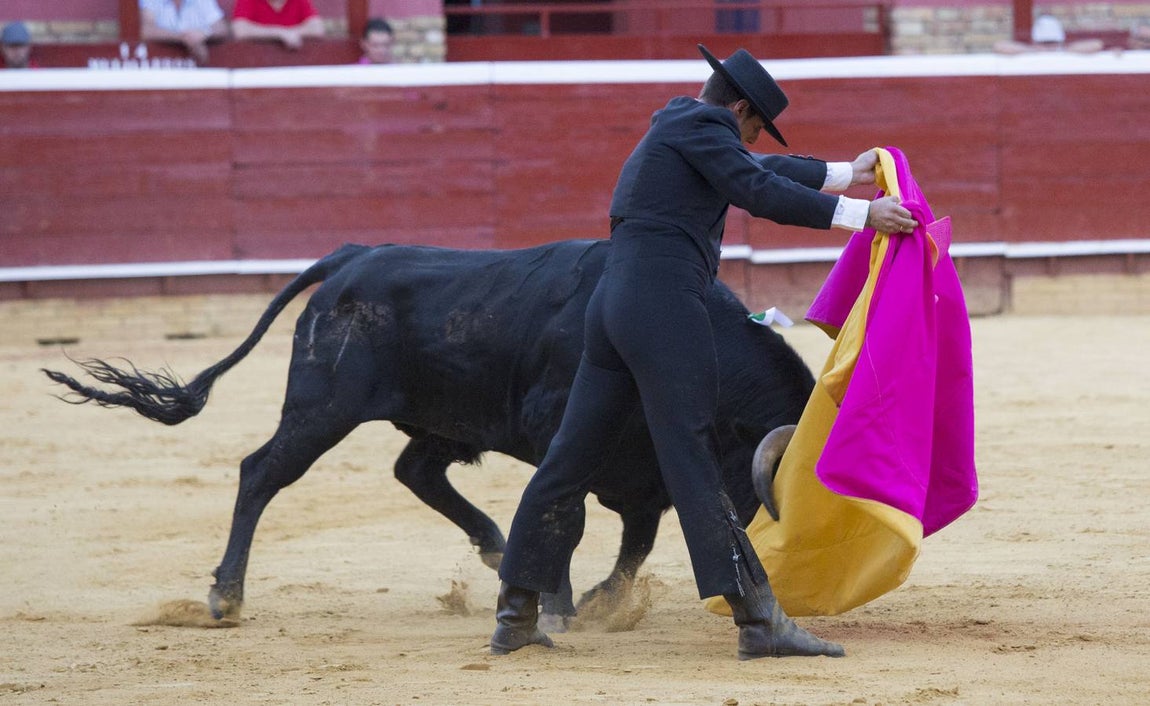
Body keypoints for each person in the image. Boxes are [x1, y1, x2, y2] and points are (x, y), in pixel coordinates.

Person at [490, 44, 918, 661]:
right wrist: (863, 214)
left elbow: (754, 168)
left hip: (613, 304)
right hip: (663, 301)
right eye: (754, 126)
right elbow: (755, 187)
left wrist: (842, 173)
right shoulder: (702, 128)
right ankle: (759, 620)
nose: (749, 138)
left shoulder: (682, 125)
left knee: (568, 458)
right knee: (692, 454)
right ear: (740, 108)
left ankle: (515, 615)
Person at [139, 0, 229, 66]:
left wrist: (204, 34)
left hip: (197, 67)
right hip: (161, 66)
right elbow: (146, 30)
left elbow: (221, 28)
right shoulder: (153, 1)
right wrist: (183, 38)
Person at [231, 0, 325, 51]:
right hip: (256, 64)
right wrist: (280, 33)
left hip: (294, 63)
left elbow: (317, 28)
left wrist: (289, 33)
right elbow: (241, 30)